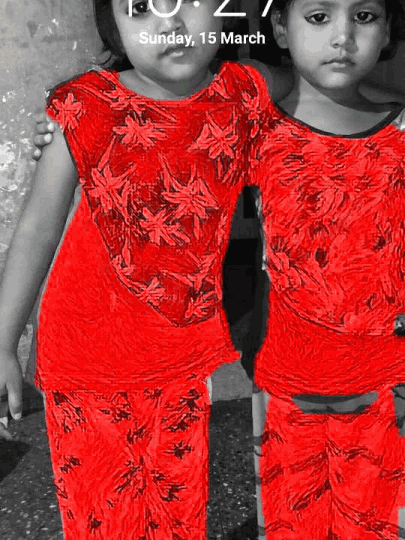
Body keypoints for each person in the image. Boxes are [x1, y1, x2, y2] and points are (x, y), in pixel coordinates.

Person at [0, 0, 279, 537]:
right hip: (87, 360)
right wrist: (3, 339)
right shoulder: (86, 105)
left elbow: (300, 77)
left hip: (182, 355)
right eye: (141, 8)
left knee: (178, 513)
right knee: (106, 520)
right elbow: (37, 227)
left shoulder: (241, 92)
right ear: (114, 27)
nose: (169, 23)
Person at [243, 0, 405, 538]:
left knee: (376, 522)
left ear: (388, 29)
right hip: (288, 382)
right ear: (280, 28)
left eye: (364, 17)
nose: (342, 37)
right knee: (295, 523)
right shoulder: (255, 131)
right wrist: (59, 132)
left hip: (387, 382)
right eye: (318, 17)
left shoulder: (403, 130)